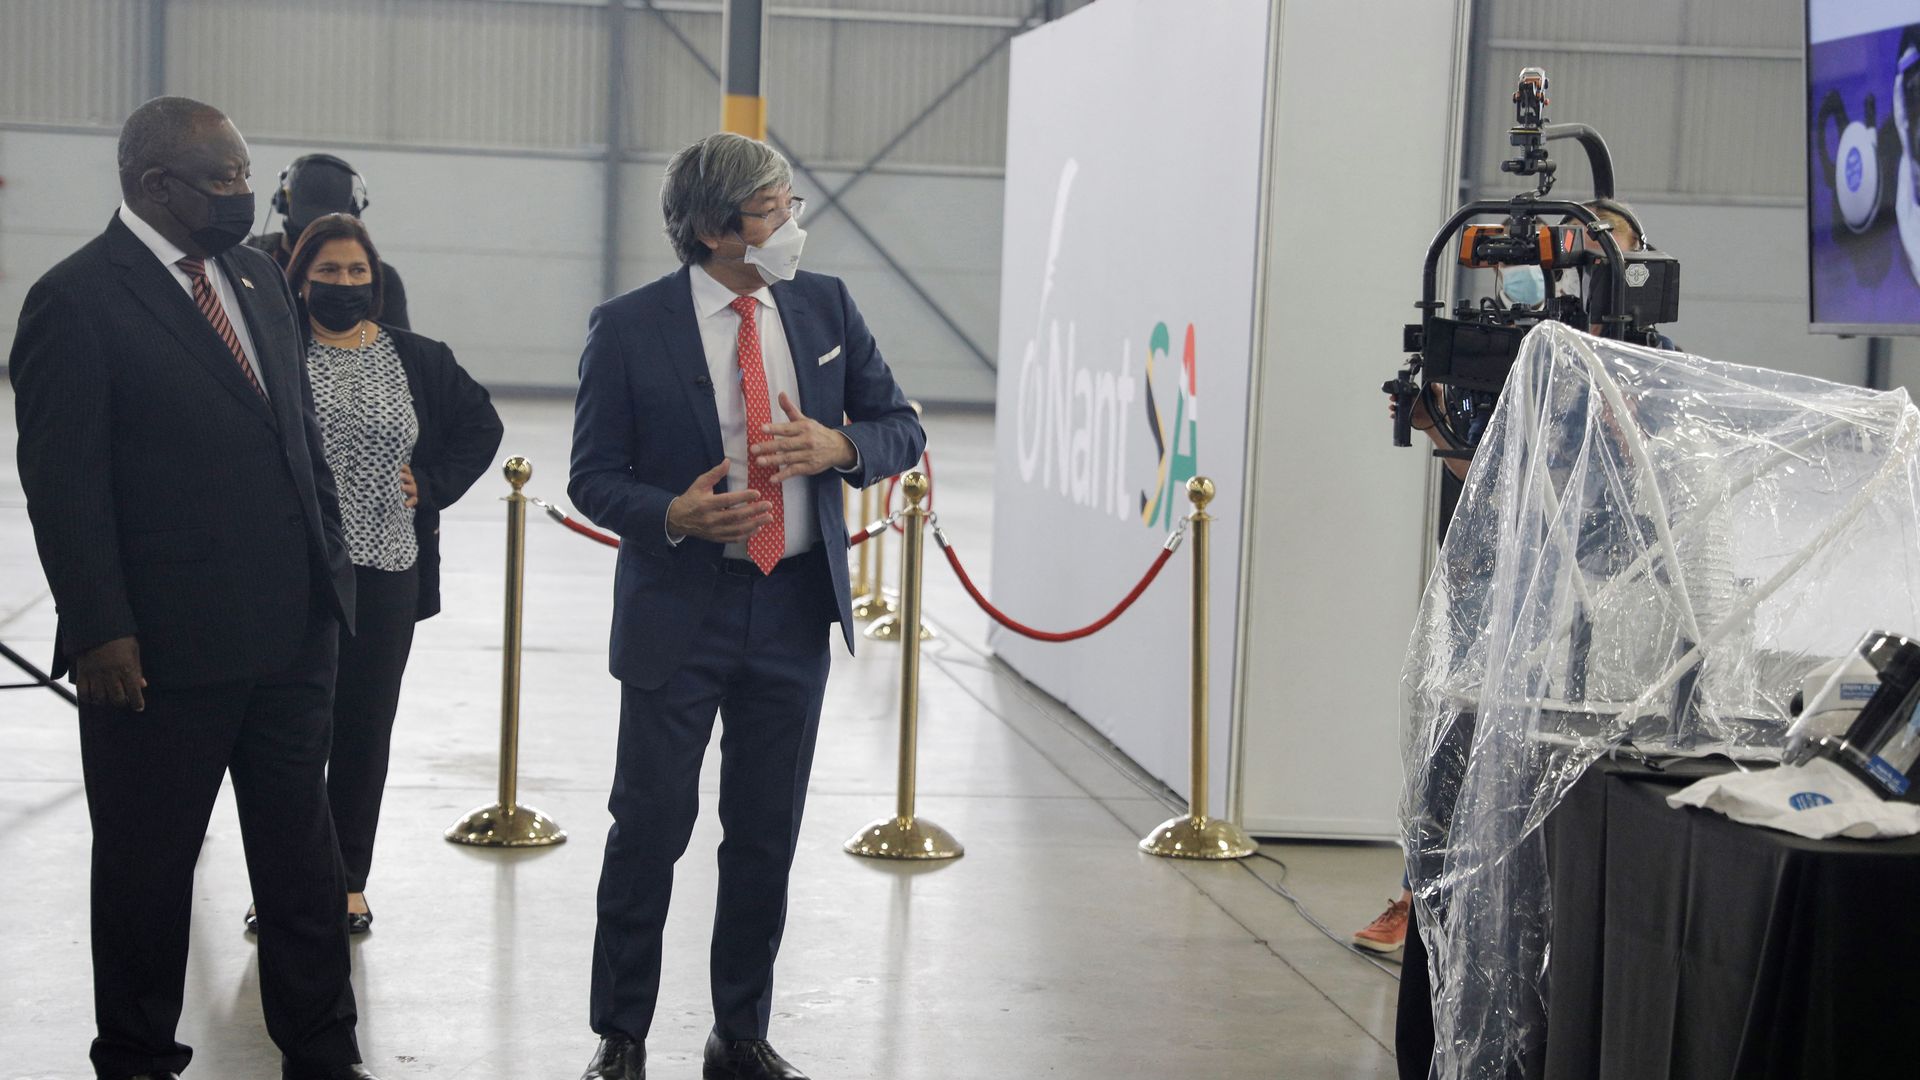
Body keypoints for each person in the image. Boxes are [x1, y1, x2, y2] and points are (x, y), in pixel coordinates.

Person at [9, 96, 382, 1080]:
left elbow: (296, 438)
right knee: (148, 869)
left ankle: (323, 1049)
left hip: (291, 636)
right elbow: (64, 487)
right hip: (158, 655)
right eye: (222, 180)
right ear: (153, 186)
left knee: (303, 863)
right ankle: (137, 1057)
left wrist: (330, 579)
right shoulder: (75, 300)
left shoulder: (256, 277)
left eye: (246, 174)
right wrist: (99, 629)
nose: (244, 194)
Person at [568, 131, 925, 1080]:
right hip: (680, 612)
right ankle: (621, 1036)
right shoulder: (628, 326)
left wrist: (841, 448)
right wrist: (671, 514)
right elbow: (592, 476)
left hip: (793, 609)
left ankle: (740, 1034)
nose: (793, 222)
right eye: (774, 209)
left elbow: (901, 425)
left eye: (788, 204)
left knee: (765, 834)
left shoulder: (825, 306)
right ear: (717, 229)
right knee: (651, 827)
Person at [236, 212, 502, 936]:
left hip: (386, 570)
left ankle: (349, 881)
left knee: (362, 730)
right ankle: (280, 885)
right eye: (329, 271)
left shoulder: (415, 356)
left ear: (375, 280)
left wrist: (432, 483)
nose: (345, 283)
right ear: (300, 280)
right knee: (290, 738)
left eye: (358, 271)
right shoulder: (274, 351)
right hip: (295, 574)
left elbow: (481, 425)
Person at [248, 153, 411, 330]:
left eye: (356, 271)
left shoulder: (383, 280)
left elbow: (399, 343)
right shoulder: (252, 265)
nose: (314, 236)